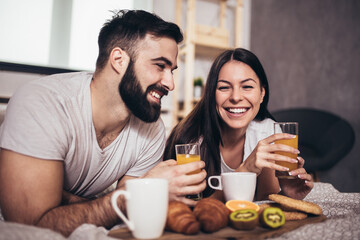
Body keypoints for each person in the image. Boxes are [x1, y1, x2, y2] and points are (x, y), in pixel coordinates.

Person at [0, 10, 206, 236]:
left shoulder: (151, 128)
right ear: (119, 60)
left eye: (172, 71)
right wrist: (134, 195)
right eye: (160, 66)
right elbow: (30, 225)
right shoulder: (43, 103)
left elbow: (125, 215)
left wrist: (73, 198)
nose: (170, 84)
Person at [164, 48, 313, 201]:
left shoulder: (267, 132)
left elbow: (265, 201)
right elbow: (189, 209)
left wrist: (286, 196)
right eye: (224, 87)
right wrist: (245, 170)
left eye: (247, 86)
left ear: (262, 94)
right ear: (211, 94)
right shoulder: (190, 142)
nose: (235, 97)